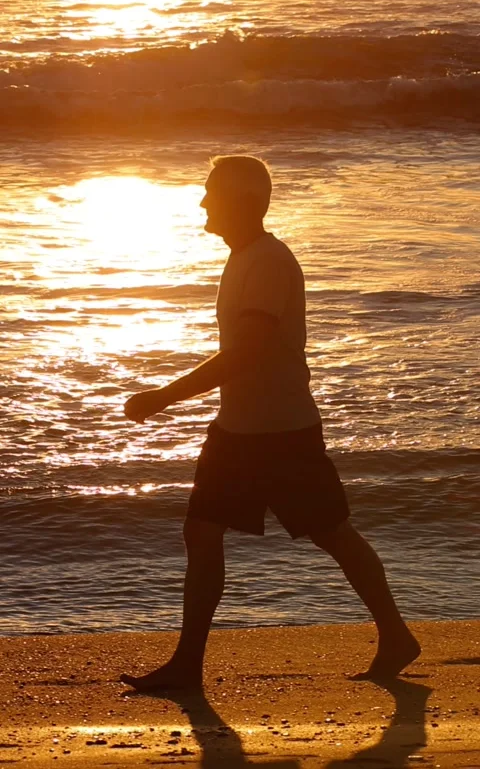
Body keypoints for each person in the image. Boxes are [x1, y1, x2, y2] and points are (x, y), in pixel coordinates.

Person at [120, 155, 420, 692]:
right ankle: (188, 665)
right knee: (202, 533)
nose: (203, 202)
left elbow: (247, 352)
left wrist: (165, 395)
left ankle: (396, 636)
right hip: (236, 429)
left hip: (282, 432)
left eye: (211, 191)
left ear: (240, 201)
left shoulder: (268, 261)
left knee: (332, 533)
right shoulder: (242, 258)